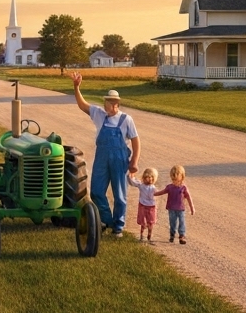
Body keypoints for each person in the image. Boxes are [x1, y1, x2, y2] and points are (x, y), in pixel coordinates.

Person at [69, 72, 140, 236]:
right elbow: (82, 105)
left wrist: (134, 162)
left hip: (120, 159)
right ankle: (107, 219)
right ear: (105, 103)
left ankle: (118, 227)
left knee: (120, 195)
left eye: (114, 102)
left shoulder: (126, 120)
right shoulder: (99, 114)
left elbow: (136, 141)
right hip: (102, 158)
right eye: (109, 102)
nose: (112, 105)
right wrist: (76, 86)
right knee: (96, 191)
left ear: (117, 104)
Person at [154, 165, 195, 244]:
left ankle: (182, 236)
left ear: (182, 177)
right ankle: (172, 234)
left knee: (182, 222)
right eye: (173, 179)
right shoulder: (169, 187)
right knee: (172, 222)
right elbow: (162, 192)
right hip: (171, 209)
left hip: (181, 209)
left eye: (176, 179)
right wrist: (154, 194)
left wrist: (192, 208)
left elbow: (189, 197)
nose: (174, 181)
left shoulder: (183, 188)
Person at [128, 167, 160, 242]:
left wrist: (168, 191)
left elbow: (157, 193)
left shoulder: (153, 188)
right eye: (147, 177)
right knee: (143, 222)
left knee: (151, 222)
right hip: (142, 205)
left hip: (151, 206)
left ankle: (149, 235)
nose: (149, 179)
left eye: (152, 177)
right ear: (144, 177)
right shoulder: (141, 185)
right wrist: (131, 174)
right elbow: (133, 182)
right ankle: (141, 235)